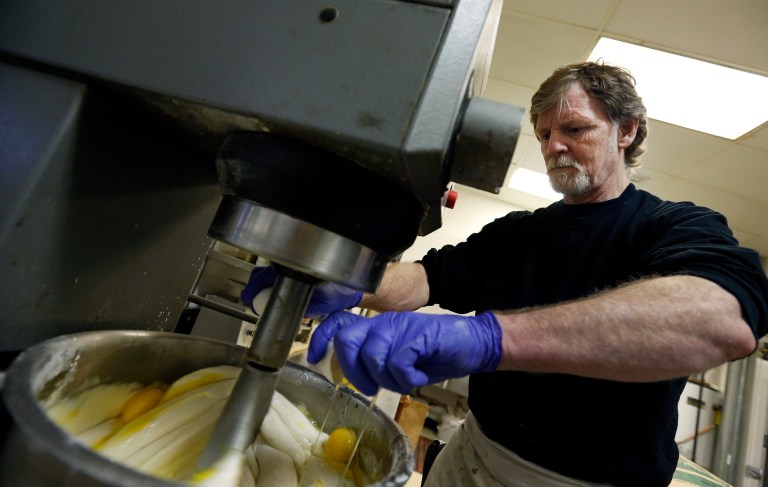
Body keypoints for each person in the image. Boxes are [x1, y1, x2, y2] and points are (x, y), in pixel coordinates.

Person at [242, 61, 768, 486]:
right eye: (543, 135)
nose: (554, 147)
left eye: (575, 129)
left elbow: (723, 320)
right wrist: (345, 278)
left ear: (626, 131)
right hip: (477, 454)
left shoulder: (672, 226)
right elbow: (430, 277)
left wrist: (491, 337)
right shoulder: (519, 231)